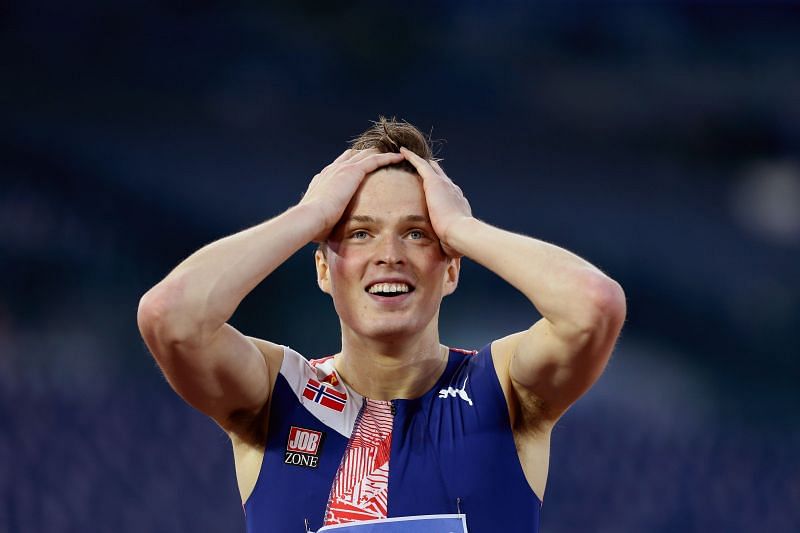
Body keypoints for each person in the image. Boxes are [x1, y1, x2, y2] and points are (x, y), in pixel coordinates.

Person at [137, 118, 626, 532]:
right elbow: (171, 318)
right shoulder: (276, 397)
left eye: (416, 233)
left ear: (451, 267)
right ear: (324, 269)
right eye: (360, 233)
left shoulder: (506, 391)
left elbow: (594, 306)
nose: (389, 256)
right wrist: (311, 215)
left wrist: (461, 229)